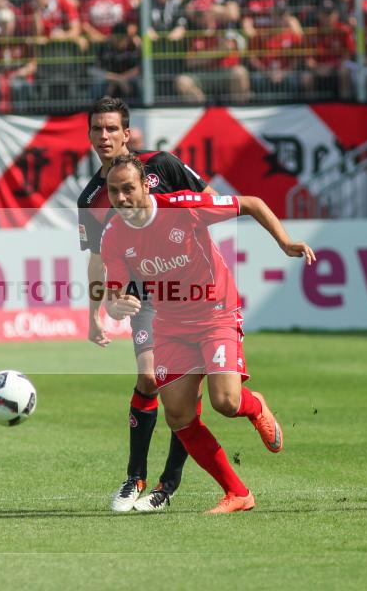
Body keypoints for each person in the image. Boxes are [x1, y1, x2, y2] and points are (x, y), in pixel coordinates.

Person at [100, 154, 315, 513]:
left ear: (145, 186)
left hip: (215, 311)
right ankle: (238, 493)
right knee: (179, 415)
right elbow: (116, 289)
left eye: (128, 189)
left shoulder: (183, 207)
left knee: (226, 402)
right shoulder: (114, 234)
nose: (121, 199)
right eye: (113, 191)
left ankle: (255, 405)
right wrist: (115, 305)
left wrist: (285, 242)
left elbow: (252, 203)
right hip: (170, 325)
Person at [78, 96, 222, 512]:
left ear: (127, 133)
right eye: (96, 129)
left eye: (111, 128)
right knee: (149, 379)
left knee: (178, 384)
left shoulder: (162, 165)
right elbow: (97, 258)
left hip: (188, 290)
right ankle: (133, 477)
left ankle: (168, 484)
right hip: (144, 297)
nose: (103, 136)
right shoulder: (92, 199)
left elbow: (210, 200)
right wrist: (94, 314)